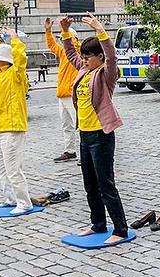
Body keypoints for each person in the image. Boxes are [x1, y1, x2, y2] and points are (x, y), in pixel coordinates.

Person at [61, 14, 129, 244]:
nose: (84, 60)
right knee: (89, 183)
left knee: (105, 183)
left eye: (88, 57)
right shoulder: (85, 70)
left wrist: (100, 29)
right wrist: (65, 32)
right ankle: (98, 224)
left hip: (101, 135)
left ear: (99, 57)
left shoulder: (106, 74)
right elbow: (71, 55)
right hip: (85, 134)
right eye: (84, 57)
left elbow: (112, 56)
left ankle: (120, 229)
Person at [0, 24, 33, 215]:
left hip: (12, 127)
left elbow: (20, 59)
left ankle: (24, 202)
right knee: (2, 168)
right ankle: (10, 198)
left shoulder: (15, 74)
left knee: (13, 168)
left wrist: (14, 39)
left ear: (4, 60)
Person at [45, 18, 79, 163]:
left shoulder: (77, 52)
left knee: (79, 125)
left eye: (64, 39)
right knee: (67, 125)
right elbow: (52, 45)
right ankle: (70, 150)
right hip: (62, 94)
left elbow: (73, 44)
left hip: (72, 94)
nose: (61, 41)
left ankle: (86, 153)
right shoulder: (63, 52)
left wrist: (67, 33)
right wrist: (48, 31)